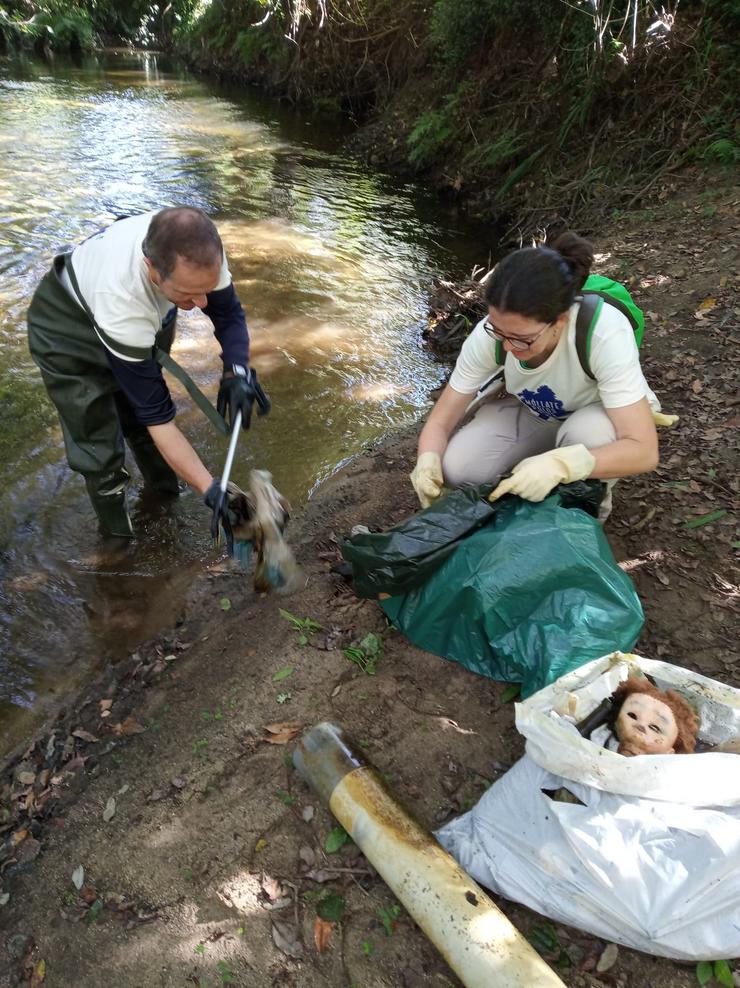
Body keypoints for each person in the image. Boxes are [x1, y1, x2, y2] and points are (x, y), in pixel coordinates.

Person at [27, 206, 269, 538]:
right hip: (67, 333)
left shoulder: (201, 251)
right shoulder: (122, 299)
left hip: (138, 316)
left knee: (139, 421)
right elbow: (158, 417)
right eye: (188, 293)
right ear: (151, 269)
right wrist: (210, 490)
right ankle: (117, 540)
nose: (201, 303)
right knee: (99, 446)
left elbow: (228, 314)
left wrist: (237, 372)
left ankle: (167, 496)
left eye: (206, 289)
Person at [410, 232, 672, 520]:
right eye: (498, 332)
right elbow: (441, 419)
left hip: (599, 416)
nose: (507, 346)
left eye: (522, 339)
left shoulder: (603, 331)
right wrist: (427, 459)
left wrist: (562, 465)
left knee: (590, 436)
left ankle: (585, 512)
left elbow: (643, 451)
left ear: (560, 320)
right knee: (458, 468)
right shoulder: (494, 334)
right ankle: (537, 466)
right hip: (538, 411)